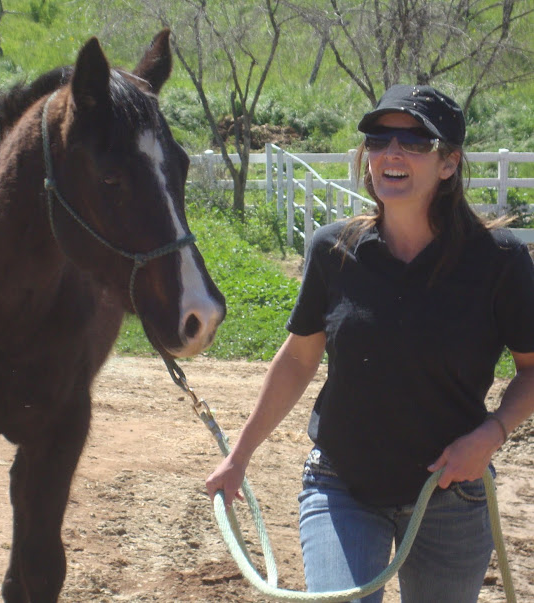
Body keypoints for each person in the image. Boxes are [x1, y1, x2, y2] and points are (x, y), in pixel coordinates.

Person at [205, 84, 534, 603]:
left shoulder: (500, 261)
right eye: (379, 140)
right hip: (341, 485)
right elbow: (297, 358)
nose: (391, 154)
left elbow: (532, 368)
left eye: (415, 142)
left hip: (450, 492)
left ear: (449, 164)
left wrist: (492, 433)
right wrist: (239, 455)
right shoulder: (334, 249)